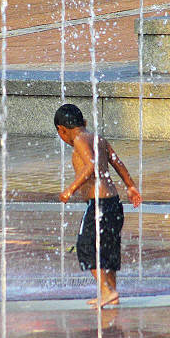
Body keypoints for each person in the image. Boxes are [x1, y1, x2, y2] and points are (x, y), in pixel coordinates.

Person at [54, 103, 142, 309]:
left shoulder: (78, 140)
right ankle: (111, 292)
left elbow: (91, 166)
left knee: (86, 247)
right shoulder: (98, 139)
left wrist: (70, 189)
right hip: (114, 203)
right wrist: (130, 186)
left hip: (99, 205)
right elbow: (116, 161)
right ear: (83, 122)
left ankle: (106, 291)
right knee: (108, 249)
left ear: (62, 130)